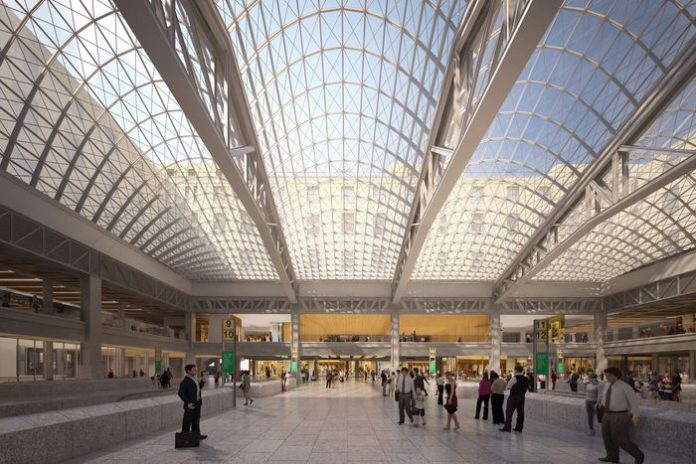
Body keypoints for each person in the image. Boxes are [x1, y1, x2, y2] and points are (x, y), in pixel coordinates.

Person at [597, 367, 644, 464]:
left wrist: (636, 416)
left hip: (619, 415)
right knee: (607, 437)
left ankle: (638, 455)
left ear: (615, 375)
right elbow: (603, 396)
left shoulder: (625, 387)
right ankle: (612, 456)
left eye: (609, 375)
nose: (607, 378)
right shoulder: (607, 385)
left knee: (620, 438)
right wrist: (600, 404)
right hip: (606, 414)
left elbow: (633, 402)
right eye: (606, 376)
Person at [177, 364, 207, 440]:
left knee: (196, 421)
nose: (196, 371)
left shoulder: (195, 379)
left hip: (197, 403)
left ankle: (196, 435)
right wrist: (187, 403)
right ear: (188, 371)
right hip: (190, 405)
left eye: (196, 369)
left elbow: (198, 388)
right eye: (194, 370)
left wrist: (202, 382)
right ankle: (185, 437)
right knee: (187, 421)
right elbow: (180, 393)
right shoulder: (185, 381)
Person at [500, 364, 528, 433]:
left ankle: (507, 427)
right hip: (522, 397)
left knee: (509, 411)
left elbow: (508, 386)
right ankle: (519, 427)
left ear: (515, 370)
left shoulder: (514, 378)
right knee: (520, 413)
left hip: (514, 397)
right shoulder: (525, 379)